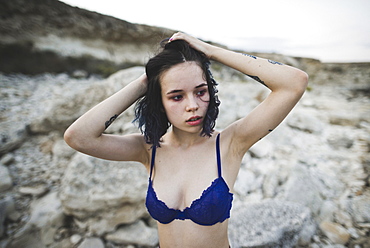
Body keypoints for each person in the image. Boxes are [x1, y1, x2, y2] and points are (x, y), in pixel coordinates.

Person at [64, 32, 308, 248]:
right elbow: (79, 137)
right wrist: (145, 83)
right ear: (160, 102)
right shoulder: (148, 150)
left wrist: (210, 51)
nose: (193, 106)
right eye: (177, 96)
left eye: (200, 92)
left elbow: (294, 83)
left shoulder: (231, 143)